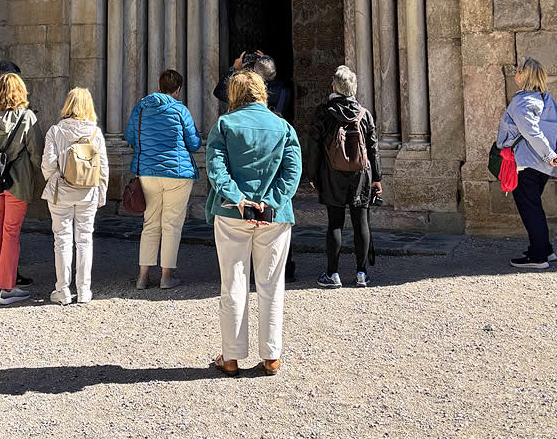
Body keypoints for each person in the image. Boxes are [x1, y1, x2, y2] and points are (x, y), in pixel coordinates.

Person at [205, 70, 302, 377]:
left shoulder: (224, 124)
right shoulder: (283, 127)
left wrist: (239, 199)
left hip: (233, 214)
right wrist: (270, 202)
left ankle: (231, 358)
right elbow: (292, 172)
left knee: (232, 283)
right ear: (263, 92)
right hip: (274, 218)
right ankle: (272, 356)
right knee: (272, 284)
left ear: (233, 93)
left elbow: (215, 168)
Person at [306, 65, 382, 289]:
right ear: (353, 88)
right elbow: (373, 148)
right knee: (361, 222)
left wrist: (312, 174)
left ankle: (333, 274)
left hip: (332, 173)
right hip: (361, 174)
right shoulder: (364, 113)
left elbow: (314, 147)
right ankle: (361, 274)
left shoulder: (324, 112)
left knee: (335, 223)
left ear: (334, 87)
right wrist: (377, 177)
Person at [125, 68, 202, 291]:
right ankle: (166, 277)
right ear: (177, 90)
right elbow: (194, 143)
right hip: (177, 174)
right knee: (171, 225)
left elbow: (130, 136)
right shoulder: (180, 110)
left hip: (147, 171)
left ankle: (142, 276)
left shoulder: (141, 108)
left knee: (150, 223)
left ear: (159, 86)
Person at [496, 56, 557, 270]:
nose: (515, 74)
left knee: (530, 209)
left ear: (524, 76)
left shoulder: (521, 102)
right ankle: (545, 250)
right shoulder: (548, 100)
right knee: (534, 206)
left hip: (526, 163)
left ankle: (538, 257)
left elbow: (532, 133)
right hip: (544, 165)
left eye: (518, 71)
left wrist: (550, 155)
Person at [0, 72, 43, 307]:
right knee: (11, 233)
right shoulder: (27, 117)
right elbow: (36, 152)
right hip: (18, 180)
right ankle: (7, 286)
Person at [41, 87, 108, 306]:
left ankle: (63, 291)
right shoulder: (95, 133)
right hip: (88, 192)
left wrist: (57, 178)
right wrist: (102, 193)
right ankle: (84, 289)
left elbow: (48, 164)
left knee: (61, 240)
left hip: (61, 191)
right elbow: (103, 168)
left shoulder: (55, 131)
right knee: (84, 240)